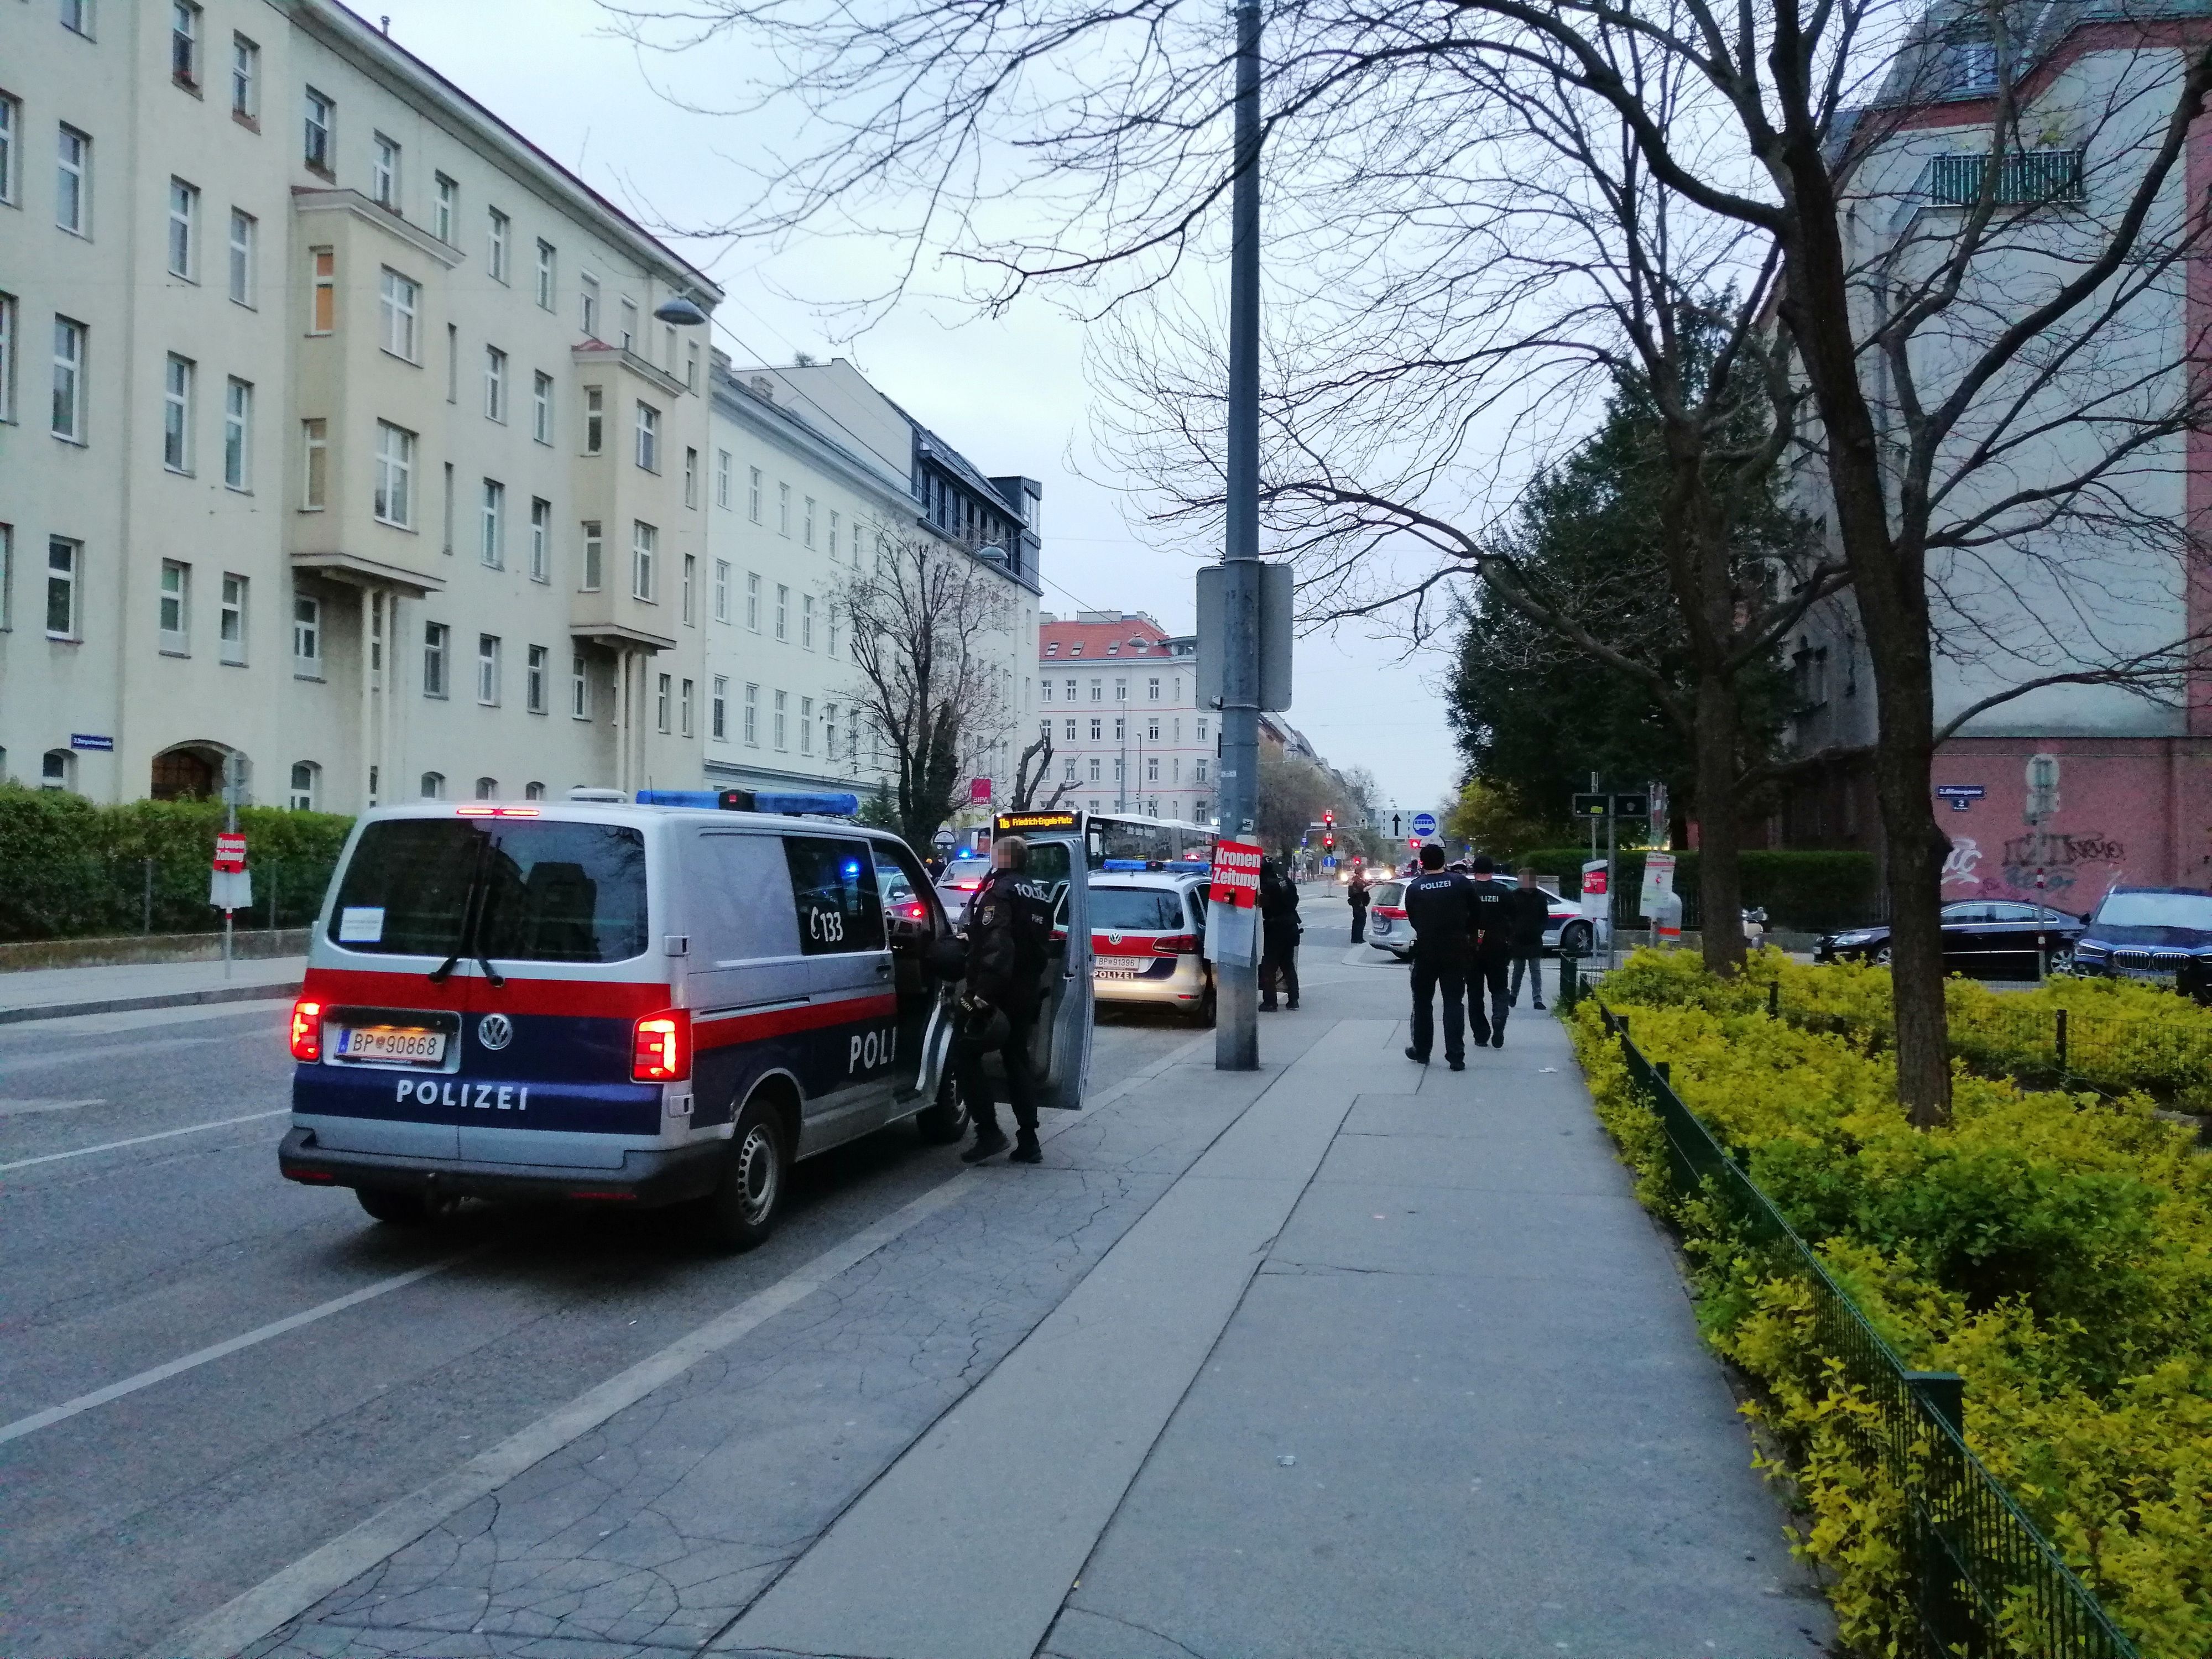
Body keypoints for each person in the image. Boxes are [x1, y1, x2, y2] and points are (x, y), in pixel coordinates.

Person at [954, 834, 1055, 1165]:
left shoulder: (999, 891)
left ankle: (989, 1133)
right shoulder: (1038, 892)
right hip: (1027, 990)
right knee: (1017, 1059)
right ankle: (1029, 1140)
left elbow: (998, 947)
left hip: (999, 992)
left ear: (1004, 858)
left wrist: (981, 996)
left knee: (964, 1054)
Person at [1402, 843, 1475, 1069]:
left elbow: (1413, 918)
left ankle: (1422, 1051)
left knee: (1423, 1002)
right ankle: (1456, 1055)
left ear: (1422, 863)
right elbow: (1476, 913)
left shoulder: (1415, 888)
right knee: (1453, 1002)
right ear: (1444, 860)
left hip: (1426, 950)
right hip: (1455, 949)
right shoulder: (1461, 883)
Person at [1465, 854, 1516, 1047]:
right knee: (1500, 989)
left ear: (1474, 871)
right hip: (1498, 947)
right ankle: (1499, 1017)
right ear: (1492, 871)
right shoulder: (1503, 892)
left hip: (1472, 948)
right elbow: (1514, 919)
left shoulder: (1468, 892)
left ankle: (1481, 1034)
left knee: (1475, 993)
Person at [1503, 866, 1551, 1012]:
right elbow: (1508, 916)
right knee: (1518, 970)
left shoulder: (1541, 897)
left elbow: (1545, 916)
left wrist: (1540, 930)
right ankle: (1513, 995)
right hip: (1518, 939)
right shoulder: (1514, 896)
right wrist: (1512, 931)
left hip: (1534, 938)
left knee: (1535, 970)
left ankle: (1537, 999)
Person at [1259, 859, 1302, 1010]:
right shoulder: (1284, 880)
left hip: (1275, 929)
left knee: (1268, 967)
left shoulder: (1264, 885)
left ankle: (1270, 1002)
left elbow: (1261, 906)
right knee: (1288, 965)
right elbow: (1295, 899)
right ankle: (1294, 1000)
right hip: (1291, 926)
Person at [1347, 869, 1372, 944]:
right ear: (1360, 872)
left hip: (1355, 903)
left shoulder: (1353, 879)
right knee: (1361, 920)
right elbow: (1364, 889)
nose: (1364, 873)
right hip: (1359, 903)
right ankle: (1359, 938)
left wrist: (1367, 883)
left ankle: (1354, 938)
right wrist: (1372, 886)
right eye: (1363, 872)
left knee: (1356, 921)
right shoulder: (1358, 880)